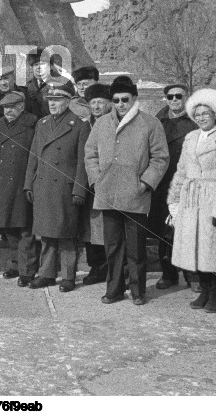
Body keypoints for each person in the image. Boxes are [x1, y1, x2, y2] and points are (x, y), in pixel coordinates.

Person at [85, 76, 169, 306]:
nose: (121, 104)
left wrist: (145, 183)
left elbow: (160, 158)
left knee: (136, 248)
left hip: (136, 195)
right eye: (116, 100)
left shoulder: (150, 124)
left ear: (134, 99)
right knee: (112, 247)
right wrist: (96, 180)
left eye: (125, 99)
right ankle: (114, 289)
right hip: (108, 194)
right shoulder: (102, 124)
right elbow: (90, 153)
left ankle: (138, 290)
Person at [168, 88, 216, 313]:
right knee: (196, 246)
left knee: (215, 247)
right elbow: (181, 170)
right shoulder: (191, 138)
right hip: (191, 198)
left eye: (205, 113)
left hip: (213, 196)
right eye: (197, 114)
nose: (200, 118)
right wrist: (175, 199)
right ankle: (205, 289)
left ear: (215, 114)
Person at [24, 79, 89, 292]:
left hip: (65, 188)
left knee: (67, 234)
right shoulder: (42, 124)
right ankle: (47, 274)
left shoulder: (78, 125)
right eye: (50, 99)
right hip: (43, 186)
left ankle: (68, 277)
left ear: (68, 101)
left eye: (57, 99)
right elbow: (33, 156)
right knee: (46, 234)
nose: (52, 103)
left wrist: (79, 188)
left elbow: (82, 161)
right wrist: (28, 184)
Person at [151, 84, 198, 290]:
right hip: (163, 182)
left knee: (188, 230)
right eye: (170, 96)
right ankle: (168, 273)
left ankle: (192, 275)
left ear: (186, 98)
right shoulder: (157, 120)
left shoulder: (196, 120)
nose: (174, 100)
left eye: (179, 96)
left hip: (188, 182)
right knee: (165, 230)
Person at [0, 90, 40, 286]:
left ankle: (27, 269)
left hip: (22, 182)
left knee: (24, 228)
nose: (8, 111)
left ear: (22, 107)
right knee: (9, 227)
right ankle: (15, 263)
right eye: (5, 108)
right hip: (3, 183)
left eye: (12, 107)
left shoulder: (32, 124)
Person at [80, 82, 113, 285]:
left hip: (110, 182)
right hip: (88, 183)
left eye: (101, 102)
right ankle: (96, 266)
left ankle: (114, 266)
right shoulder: (84, 124)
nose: (97, 107)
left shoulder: (115, 123)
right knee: (91, 227)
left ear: (109, 104)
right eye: (93, 102)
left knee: (110, 225)